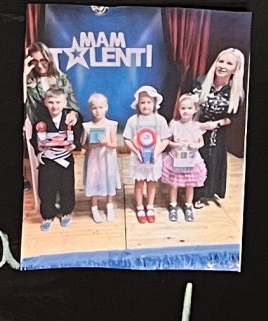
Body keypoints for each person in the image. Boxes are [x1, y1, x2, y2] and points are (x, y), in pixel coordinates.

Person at [193, 47, 246, 206]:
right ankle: (193, 193)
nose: (222, 66)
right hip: (197, 128)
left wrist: (215, 124)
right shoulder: (201, 81)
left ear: (235, 69)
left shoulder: (236, 92)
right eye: (220, 61)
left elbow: (233, 118)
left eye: (229, 63)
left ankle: (207, 193)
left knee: (213, 160)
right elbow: (189, 104)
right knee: (196, 160)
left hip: (217, 130)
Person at [29, 86, 84, 230]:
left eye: (58, 102)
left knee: (67, 187)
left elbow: (78, 134)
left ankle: (66, 212)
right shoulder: (40, 119)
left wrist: (74, 145)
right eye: (51, 102)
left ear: (65, 103)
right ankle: (47, 215)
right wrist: (39, 148)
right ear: (45, 103)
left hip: (65, 159)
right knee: (46, 189)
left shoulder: (71, 118)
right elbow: (34, 139)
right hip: (48, 160)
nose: (55, 106)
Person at [161, 91, 211, 224]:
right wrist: (175, 144)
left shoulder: (197, 126)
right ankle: (173, 204)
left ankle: (188, 205)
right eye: (183, 108)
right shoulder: (174, 124)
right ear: (179, 109)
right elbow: (168, 141)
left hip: (191, 159)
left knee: (190, 184)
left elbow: (201, 143)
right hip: (176, 158)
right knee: (174, 183)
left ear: (195, 109)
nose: (186, 111)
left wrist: (195, 145)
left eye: (189, 108)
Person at [122, 85, 168, 225]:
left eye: (149, 102)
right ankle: (140, 206)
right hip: (138, 158)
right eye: (142, 102)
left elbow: (166, 139)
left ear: (154, 103)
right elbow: (127, 139)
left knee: (152, 183)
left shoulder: (160, 120)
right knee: (139, 182)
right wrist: (136, 151)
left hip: (154, 158)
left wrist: (157, 152)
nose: (146, 105)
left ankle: (150, 206)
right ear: (137, 104)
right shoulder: (133, 120)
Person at [83, 89, 122, 221]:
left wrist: (106, 143)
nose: (98, 111)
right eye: (94, 108)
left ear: (106, 108)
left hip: (107, 158)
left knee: (109, 178)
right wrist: (91, 145)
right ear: (90, 109)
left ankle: (109, 204)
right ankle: (94, 207)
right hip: (93, 159)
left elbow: (114, 144)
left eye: (100, 107)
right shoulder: (87, 126)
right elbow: (83, 145)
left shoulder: (111, 125)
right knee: (93, 180)